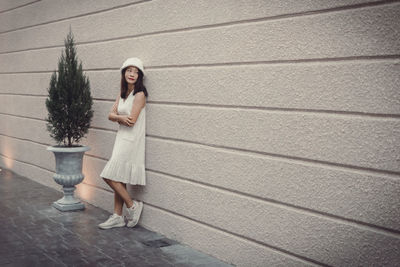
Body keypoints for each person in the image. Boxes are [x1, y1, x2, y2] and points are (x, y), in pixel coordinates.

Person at [98, 57, 148, 230]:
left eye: (136, 71)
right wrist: (119, 117)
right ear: (124, 73)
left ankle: (132, 206)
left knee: (108, 175)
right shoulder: (122, 93)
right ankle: (117, 216)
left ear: (140, 75)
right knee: (118, 176)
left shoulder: (140, 95)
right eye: (129, 70)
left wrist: (117, 117)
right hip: (121, 139)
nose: (132, 74)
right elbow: (110, 115)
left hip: (131, 141)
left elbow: (131, 121)